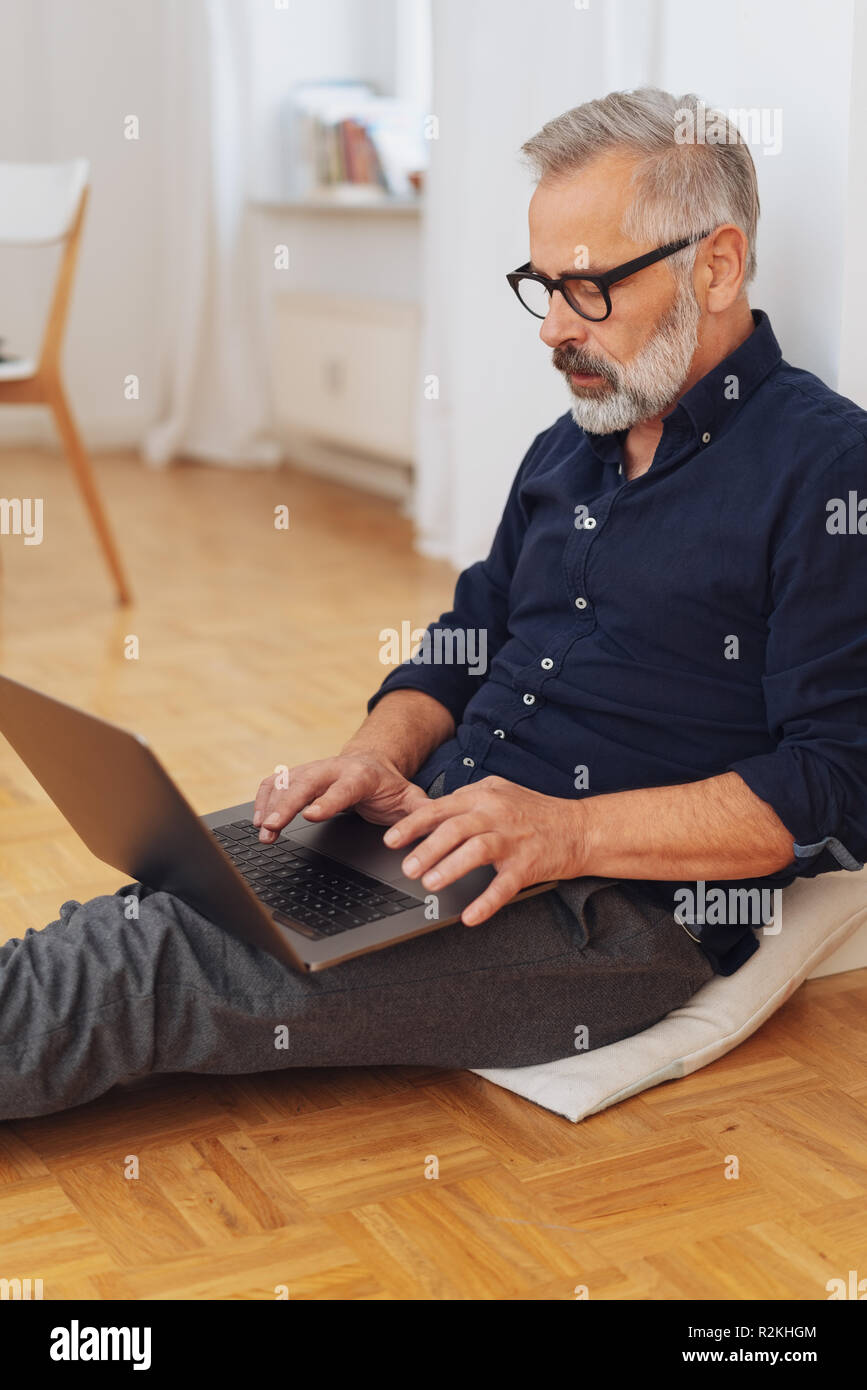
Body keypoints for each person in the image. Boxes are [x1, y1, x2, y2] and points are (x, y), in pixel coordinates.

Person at [2, 88, 865, 1122]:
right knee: (164, 905)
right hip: (434, 836)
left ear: (716, 265)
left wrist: (564, 832)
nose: (552, 329)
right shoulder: (572, 446)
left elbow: (833, 784)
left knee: (156, 964)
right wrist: (377, 754)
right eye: (541, 286)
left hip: (605, 911)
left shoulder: (826, 470)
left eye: (585, 289)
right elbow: (468, 636)